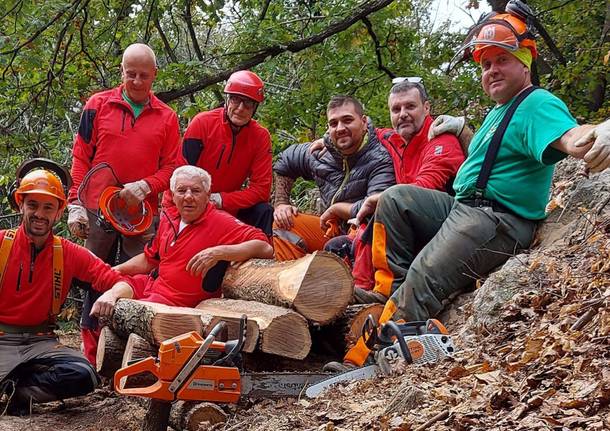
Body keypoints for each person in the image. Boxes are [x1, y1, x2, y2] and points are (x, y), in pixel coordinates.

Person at [335, 11, 610, 370]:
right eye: (486, 64)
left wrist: (598, 132)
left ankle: (369, 359)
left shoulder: (537, 103)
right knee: (396, 198)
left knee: (424, 274)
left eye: (502, 60)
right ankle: (389, 293)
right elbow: (496, 152)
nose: (492, 70)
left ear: (525, 63)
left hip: (496, 218)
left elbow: (570, 137)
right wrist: (466, 131)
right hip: (464, 206)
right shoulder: (502, 109)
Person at [66, 43, 181, 364]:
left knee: (138, 280)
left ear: (154, 75)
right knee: (93, 277)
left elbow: (172, 167)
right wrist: (75, 203)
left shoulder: (167, 117)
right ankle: (91, 357)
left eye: (144, 75)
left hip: (142, 217)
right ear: (121, 71)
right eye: (131, 74)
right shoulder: (97, 105)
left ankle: (131, 356)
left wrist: (146, 186)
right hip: (97, 208)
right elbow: (81, 156)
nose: (137, 81)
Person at [0, 167, 132, 414]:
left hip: (41, 343)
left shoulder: (68, 252)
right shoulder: (2, 244)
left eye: (48, 207)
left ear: (59, 212)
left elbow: (122, 282)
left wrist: (112, 294)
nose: (40, 214)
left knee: (83, 375)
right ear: (20, 206)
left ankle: (19, 392)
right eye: (33, 205)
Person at [330, 80, 465, 301]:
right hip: (408, 222)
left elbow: (427, 184)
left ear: (426, 108)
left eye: (410, 107)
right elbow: (357, 132)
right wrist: (325, 140)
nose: (402, 114)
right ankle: (347, 292)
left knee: (388, 203)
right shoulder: (392, 140)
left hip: (445, 225)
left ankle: (383, 292)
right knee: (337, 245)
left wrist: (379, 198)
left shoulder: (442, 140)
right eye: (396, 109)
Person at [110, 165, 274, 307]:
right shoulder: (170, 218)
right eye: (182, 191)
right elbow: (149, 260)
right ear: (173, 196)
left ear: (208, 195)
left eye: (195, 191)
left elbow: (265, 247)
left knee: (120, 310)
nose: (188, 196)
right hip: (151, 287)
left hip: (175, 307)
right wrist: (115, 270)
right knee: (109, 296)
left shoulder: (221, 221)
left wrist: (219, 253)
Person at [272, 95, 396, 261]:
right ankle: (291, 282)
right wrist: (281, 202)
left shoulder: (379, 158)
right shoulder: (320, 153)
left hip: (364, 236)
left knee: (350, 240)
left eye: (347, 120)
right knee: (284, 223)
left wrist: (336, 209)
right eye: (334, 123)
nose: (340, 128)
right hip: (331, 230)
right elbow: (285, 161)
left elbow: (376, 206)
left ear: (364, 122)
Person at [173, 70, 273, 236]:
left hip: (228, 208)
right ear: (227, 100)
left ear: (255, 108)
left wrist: (222, 199)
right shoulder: (202, 124)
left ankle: (259, 259)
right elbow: (180, 175)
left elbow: (261, 190)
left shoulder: (260, 137)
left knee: (264, 211)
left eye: (248, 103)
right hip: (192, 203)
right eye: (236, 99)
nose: (241, 109)